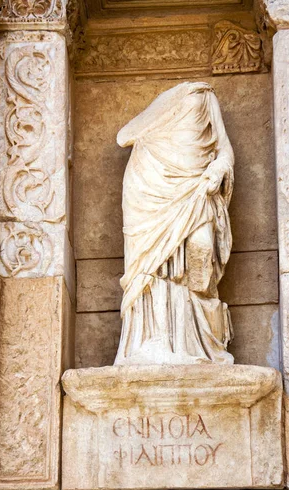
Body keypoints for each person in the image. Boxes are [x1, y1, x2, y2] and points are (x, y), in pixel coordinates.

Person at [114, 81, 235, 365]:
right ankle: (151, 343)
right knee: (150, 265)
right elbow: (125, 136)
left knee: (201, 249)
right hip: (150, 187)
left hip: (196, 184)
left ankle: (199, 343)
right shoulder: (164, 106)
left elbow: (224, 148)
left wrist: (219, 167)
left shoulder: (205, 96)